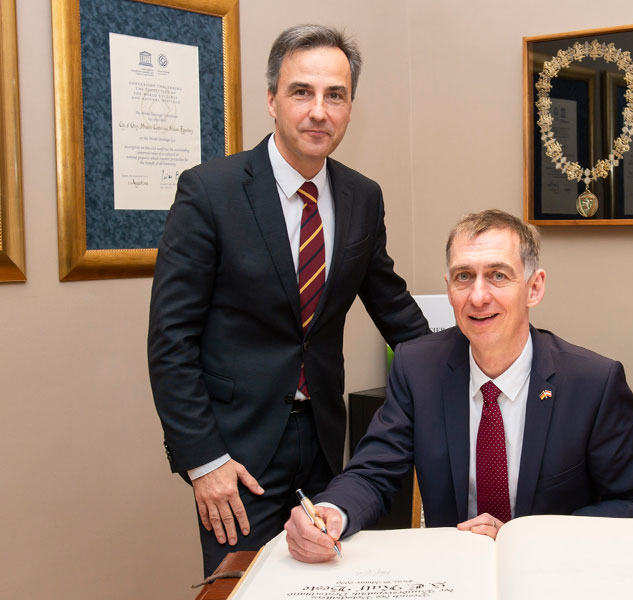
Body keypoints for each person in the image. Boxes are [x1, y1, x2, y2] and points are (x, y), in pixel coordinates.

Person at [147, 24, 428, 576]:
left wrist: (475, 368)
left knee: (327, 580)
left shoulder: (362, 197)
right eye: (302, 92)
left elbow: (394, 310)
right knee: (245, 583)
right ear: (271, 99)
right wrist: (204, 462)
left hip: (325, 442)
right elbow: (170, 342)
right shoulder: (210, 191)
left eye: (336, 95)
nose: (319, 111)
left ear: (350, 108)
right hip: (236, 454)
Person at [285, 209, 633, 563]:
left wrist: (522, 537)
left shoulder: (592, 382)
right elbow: (373, 472)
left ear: (534, 287)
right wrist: (331, 512)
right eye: (464, 277)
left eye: (498, 275)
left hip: (552, 573)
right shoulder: (418, 368)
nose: (478, 297)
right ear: (449, 288)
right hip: (452, 574)